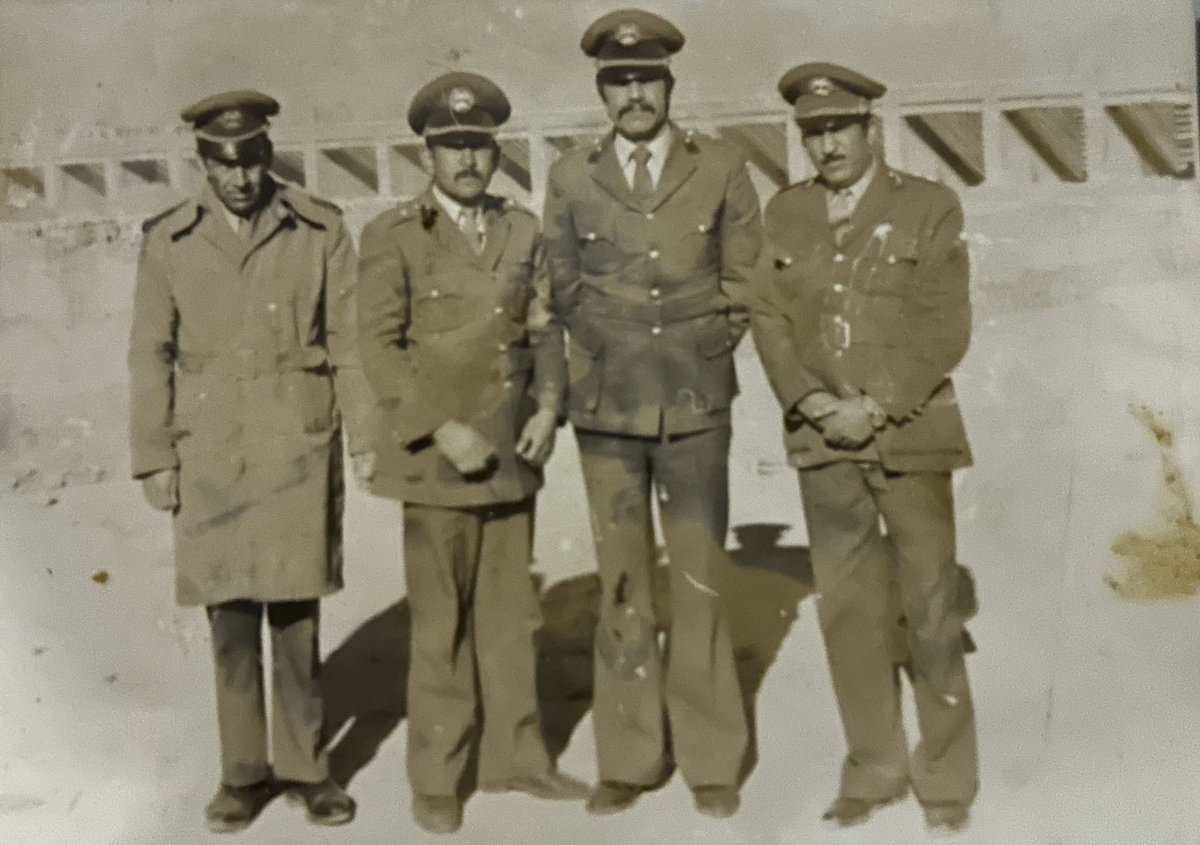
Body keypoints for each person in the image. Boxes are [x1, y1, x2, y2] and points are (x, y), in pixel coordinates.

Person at [128, 90, 375, 833]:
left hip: (296, 442)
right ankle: (243, 772)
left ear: (270, 153)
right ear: (202, 162)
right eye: (223, 164)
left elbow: (350, 342)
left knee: (296, 614)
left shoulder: (319, 229)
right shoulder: (170, 239)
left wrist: (363, 437)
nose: (240, 178)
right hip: (210, 452)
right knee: (229, 617)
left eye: (252, 160)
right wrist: (154, 456)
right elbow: (150, 352)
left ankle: (307, 768)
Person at [541, 9, 762, 819]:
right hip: (607, 408)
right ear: (603, 91)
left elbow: (744, 279)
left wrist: (706, 347)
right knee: (623, 582)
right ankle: (629, 758)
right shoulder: (570, 175)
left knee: (700, 580)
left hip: (697, 403)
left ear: (670, 83)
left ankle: (711, 759)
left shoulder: (724, 166)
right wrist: (600, 351)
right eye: (619, 82)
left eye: (647, 79)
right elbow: (560, 286)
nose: (634, 95)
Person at [749, 63, 979, 834]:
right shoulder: (784, 215)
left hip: (908, 434)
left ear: (870, 129)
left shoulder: (929, 206)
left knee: (931, 607)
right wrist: (813, 402)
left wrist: (873, 404)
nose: (826, 145)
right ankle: (874, 767)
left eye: (838, 128)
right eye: (812, 132)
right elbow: (770, 321)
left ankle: (946, 781)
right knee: (849, 611)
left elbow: (945, 326)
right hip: (824, 442)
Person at [356, 71, 589, 835]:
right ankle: (438, 775)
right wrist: (437, 426)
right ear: (428, 152)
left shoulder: (523, 231)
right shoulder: (394, 234)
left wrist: (551, 405)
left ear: (495, 152)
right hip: (435, 463)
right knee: (439, 626)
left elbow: (544, 327)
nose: (466, 161)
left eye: (478, 147)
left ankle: (518, 756)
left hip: (511, 450)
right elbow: (378, 345)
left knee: (510, 616)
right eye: (451, 147)